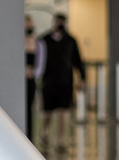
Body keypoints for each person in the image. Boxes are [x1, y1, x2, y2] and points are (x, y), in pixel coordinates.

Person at [35, 13, 86, 151]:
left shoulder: (70, 41)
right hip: (49, 81)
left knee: (64, 112)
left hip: (65, 81)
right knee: (48, 112)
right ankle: (45, 132)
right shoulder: (44, 40)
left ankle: (60, 141)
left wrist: (82, 78)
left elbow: (78, 60)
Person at [25, 14, 38, 141]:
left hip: (31, 80)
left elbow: (40, 62)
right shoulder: (18, 41)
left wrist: (34, 71)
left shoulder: (36, 41)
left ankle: (30, 136)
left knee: (30, 107)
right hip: (21, 80)